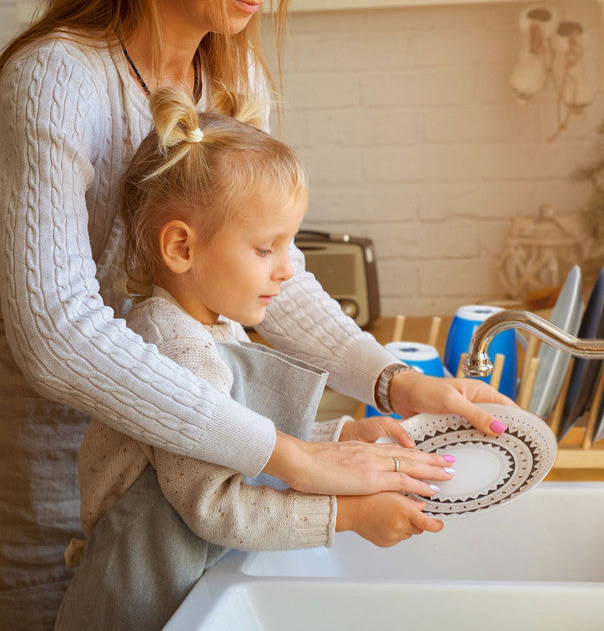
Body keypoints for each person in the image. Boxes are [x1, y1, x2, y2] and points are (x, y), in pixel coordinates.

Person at [0, 0, 513, 628]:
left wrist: (393, 381)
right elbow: (58, 334)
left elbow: (272, 273)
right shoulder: (56, 81)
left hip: (193, 495)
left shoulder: (233, 80)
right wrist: (295, 458)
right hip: (60, 504)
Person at [55, 85, 446, 631]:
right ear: (182, 248)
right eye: (266, 249)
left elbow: (240, 444)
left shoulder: (213, 324)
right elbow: (219, 506)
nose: (287, 270)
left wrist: (339, 437)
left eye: (289, 246)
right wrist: (350, 514)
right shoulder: (176, 346)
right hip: (138, 607)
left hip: (188, 594)